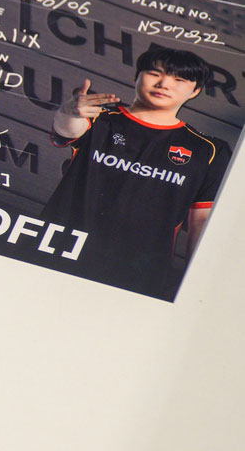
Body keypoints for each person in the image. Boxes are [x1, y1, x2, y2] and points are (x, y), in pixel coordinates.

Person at [43, 45, 231, 297]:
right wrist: (68, 111)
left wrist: (194, 286)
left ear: (195, 90)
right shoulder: (99, 117)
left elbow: (201, 222)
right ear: (137, 76)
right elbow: (68, 128)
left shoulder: (209, 149)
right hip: (59, 250)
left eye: (179, 79)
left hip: (139, 275)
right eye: (155, 73)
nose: (164, 84)